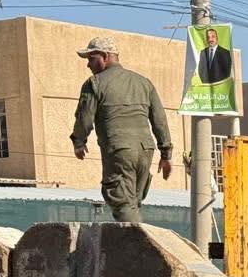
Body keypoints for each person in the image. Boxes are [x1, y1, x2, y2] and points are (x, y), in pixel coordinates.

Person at [70, 36, 174, 223]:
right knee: (132, 203)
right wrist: (166, 154)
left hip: (119, 150)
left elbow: (84, 119)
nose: (88, 64)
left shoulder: (94, 83)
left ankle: (136, 241)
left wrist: (79, 141)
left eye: (91, 58)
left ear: (105, 56)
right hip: (145, 150)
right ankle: (134, 237)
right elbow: (159, 120)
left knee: (123, 203)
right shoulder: (144, 83)